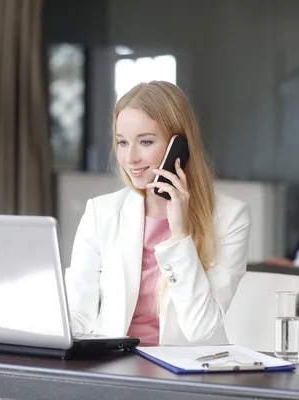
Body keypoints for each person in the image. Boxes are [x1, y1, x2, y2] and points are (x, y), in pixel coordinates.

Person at [65, 81, 251, 346]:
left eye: (145, 141)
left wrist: (180, 236)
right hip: (115, 369)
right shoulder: (101, 212)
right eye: (122, 142)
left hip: (187, 373)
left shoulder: (231, 217)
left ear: (180, 146)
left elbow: (201, 330)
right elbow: (77, 317)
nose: (131, 158)